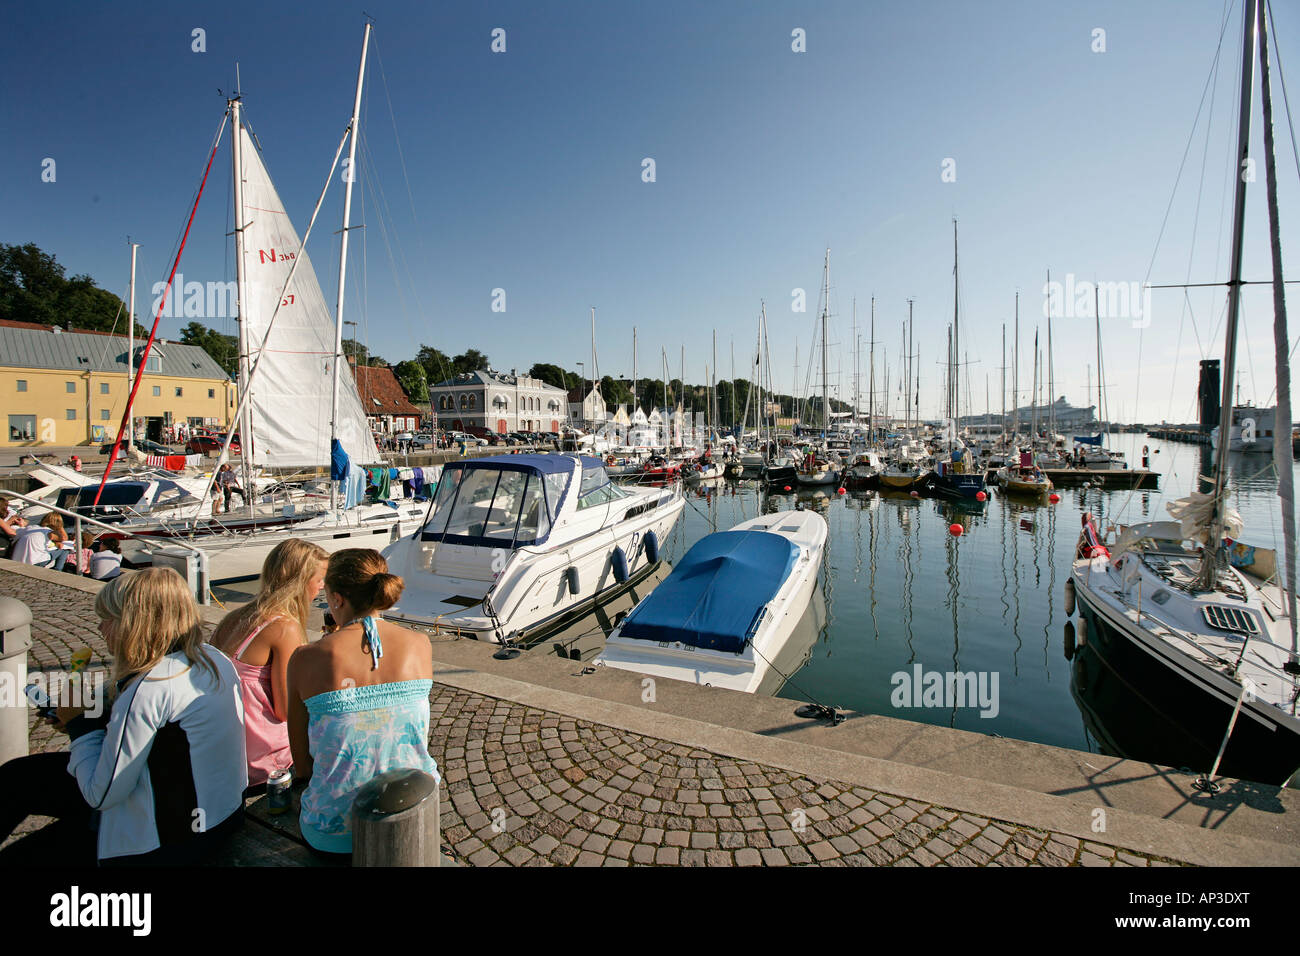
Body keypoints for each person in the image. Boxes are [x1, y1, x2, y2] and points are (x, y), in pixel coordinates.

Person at [0, 569, 247, 865]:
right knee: (19, 776)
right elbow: (165, 740)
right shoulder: (211, 657)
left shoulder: (151, 686)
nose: (101, 627)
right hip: (217, 814)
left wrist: (80, 724)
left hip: (165, 841)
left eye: (108, 619)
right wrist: (90, 716)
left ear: (134, 624)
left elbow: (100, 795)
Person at [287, 549, 438, 857]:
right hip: (414, 810)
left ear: (337, 599)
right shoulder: (420, 645)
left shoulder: (306, 659)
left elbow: (302, 765)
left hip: (334, 829)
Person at [210, 538, 328, 790]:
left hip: (224, 748)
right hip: (262, 761)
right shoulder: (284, 627)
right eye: (319, 580)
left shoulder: (234, 618)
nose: (322, 588)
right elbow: (286, 710)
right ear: (300, 581)